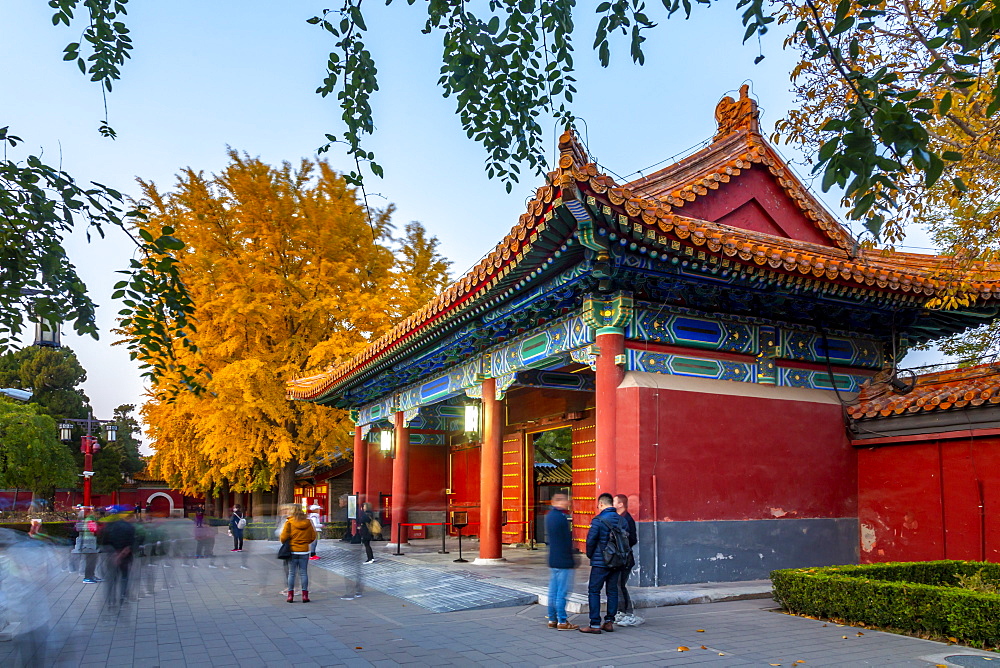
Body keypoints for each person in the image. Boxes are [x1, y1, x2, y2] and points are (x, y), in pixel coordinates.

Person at [579, 492, 624, 634]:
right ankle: (609, 621)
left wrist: (590, 555)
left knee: (594, 590)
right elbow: (630, 540)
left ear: (601, 504)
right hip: (617, 560)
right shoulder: (622, 520)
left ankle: (595, 624)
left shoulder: (598, 520)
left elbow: (591, 540)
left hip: (601, 561)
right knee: (612, 591)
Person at [545, 493, 578, 630]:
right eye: (565, 500)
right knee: (562, 592)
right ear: (559, 502)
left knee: (553, 591)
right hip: (563, 559)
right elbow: (565, 540)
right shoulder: (561, 518)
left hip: (553, 558)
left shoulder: (549, 517)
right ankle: (562, 621)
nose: (568, 502)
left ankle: (552, 619)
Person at [613, 494, 644, 627]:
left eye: (614, 501)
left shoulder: (626, 519)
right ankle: (622, 611)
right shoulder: (620, 518)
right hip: (622, 558)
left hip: (624, 559)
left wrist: (622, 547)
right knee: (619, 585)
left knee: (618, 585)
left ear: (620, 504)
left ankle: (627, 613)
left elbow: (632, 539)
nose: (612, 504)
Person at [280, 505, 317, 602]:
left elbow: (283, 538)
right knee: (303, 573)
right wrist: (305, 542)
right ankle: (305, 596)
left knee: (292, 573)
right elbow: (313, 536)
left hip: (292, 550)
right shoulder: (308, 522)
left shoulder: (289, 522)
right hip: (304, 550)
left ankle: (290, 596)